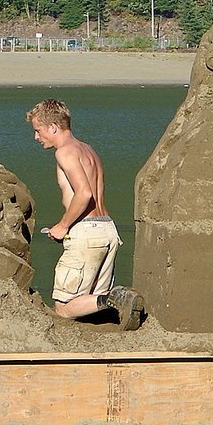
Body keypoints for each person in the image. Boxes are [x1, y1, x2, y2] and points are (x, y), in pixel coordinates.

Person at [27, 99, 144, 330]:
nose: (36, 137)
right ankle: (114, 300)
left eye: (38, 130)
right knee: (91, 306)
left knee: (63, 307)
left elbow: (84, 193)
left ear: (53, 127)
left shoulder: (65, 152)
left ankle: (117, 297)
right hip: (108, 229)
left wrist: (62, 225)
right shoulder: (87, 149)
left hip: (87, 232)